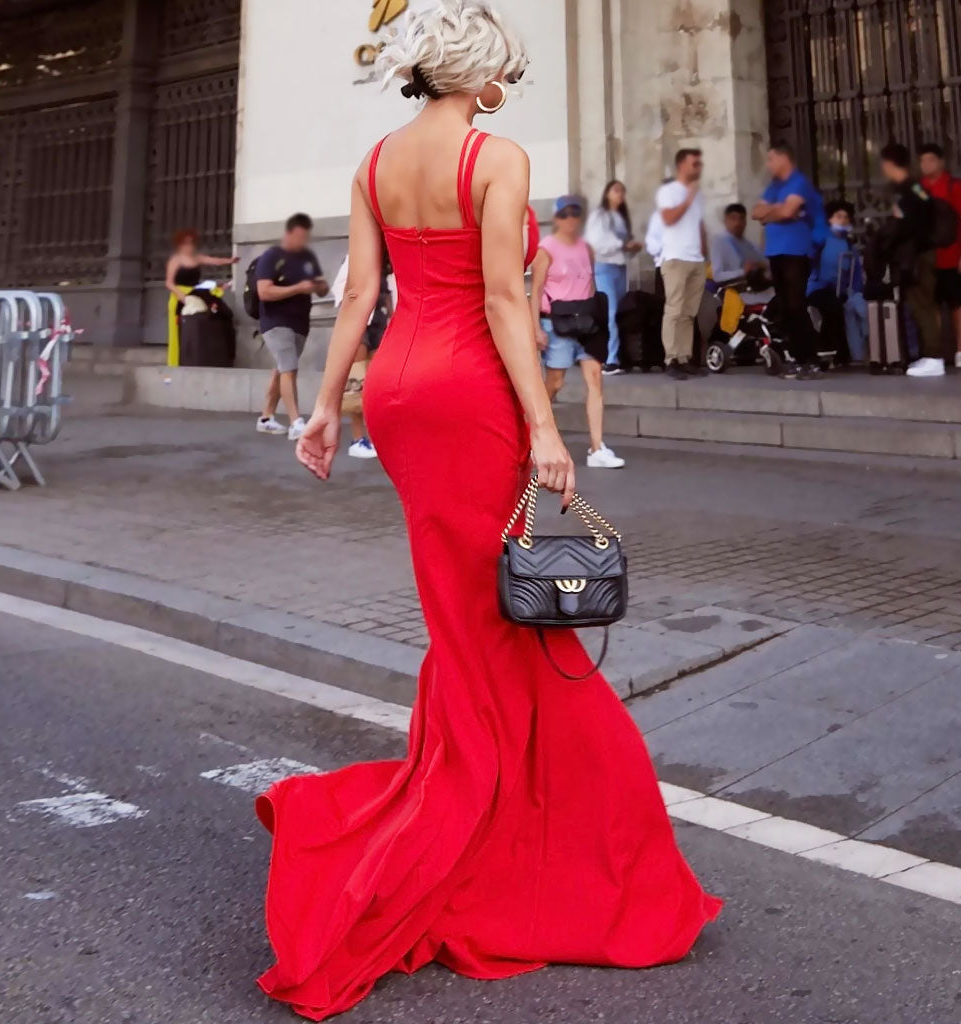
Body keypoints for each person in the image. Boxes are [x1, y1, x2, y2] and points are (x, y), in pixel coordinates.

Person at [257, 3, 721, 1018]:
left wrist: (327, 406)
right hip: (470, 389)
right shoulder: (494, 157)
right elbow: (507, 303)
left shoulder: (377, 160)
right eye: (504, 70)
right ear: (485, 76)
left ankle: (481, 797)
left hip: (399, 389)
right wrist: (545, 429)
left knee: (465, 615)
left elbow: (362, 292)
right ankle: (498, 839)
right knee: (499, 622)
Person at [531, 195, 625, 469]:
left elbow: (591, 284)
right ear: (557, 218)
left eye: (575, 213)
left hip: (586, 320)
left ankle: (597, 447)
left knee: (595, 378)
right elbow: (535, 291)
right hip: (557, 320)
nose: (571, 219)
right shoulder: (545, 249)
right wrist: (535, 328)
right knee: (556, 382)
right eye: (565, 214)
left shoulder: (586, 248)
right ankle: (533, 431)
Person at [753, 141, 827, 379]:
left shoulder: (799, 183)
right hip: (775, 251)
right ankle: (796, 357)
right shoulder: (774, 187)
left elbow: (786, 213)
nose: (768, 164)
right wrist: (780, 209)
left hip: (796, 251)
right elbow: (757, 213)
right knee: (785, 306)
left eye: (771, 159)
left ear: (784, 159)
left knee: (796, 305)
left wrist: (775, 212)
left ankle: (810, 358)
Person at [254, 214, 330, 440]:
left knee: (282, 368)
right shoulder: (272, 257)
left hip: (300, 323)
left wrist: (320, 286)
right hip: (275, 321)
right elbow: (264, 291)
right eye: (299, 236)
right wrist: (297, 288)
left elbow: (322, 289)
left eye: (305, 237)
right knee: (289, 368)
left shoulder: (307, 257)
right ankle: (296, 422)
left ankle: (266, 418)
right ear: (288, 234)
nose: (302, 241)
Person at [878, 143, 943, 378]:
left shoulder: (909, 191)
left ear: (888, 163)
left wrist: (890, 239)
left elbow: (910, 226)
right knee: (920, 305)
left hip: (918, 256)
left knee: (922, 305)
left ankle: (934, 358)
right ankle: (929, 356)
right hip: (920, 253)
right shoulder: (916, 189)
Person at [331, 249, 396, 459]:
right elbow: (341, 291)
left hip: (379, 325)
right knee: (356, 382)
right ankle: (358, 439)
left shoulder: (386, 263)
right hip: (360, 325)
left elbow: (388, 296)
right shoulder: (355, 258)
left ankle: (373, 437)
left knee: (375, 382)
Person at [920, 143, 961, 370]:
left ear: (940, 162)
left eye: (930, 160)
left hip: (953, 256)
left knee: (957, 304)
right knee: (931, 306)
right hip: (928, 258)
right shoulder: (919, 188)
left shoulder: (955, 186)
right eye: (922, 161)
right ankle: (935, 354)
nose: (926, 165)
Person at [656, 149, 708, 380]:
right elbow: (668, 218)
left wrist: (705, 253)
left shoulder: (698, 194)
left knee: (689, 312)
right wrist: (687, 198)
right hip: (675, 258)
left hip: (696, 260)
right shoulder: (669, 192)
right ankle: (671, 358)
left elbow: (700, 224)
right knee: (674, 309)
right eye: (693, 164)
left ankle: (685, 356)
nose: (698, 168)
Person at [584, 180, 641, 375]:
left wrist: (632, 248)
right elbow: (596, 242)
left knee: (617, 313)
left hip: (619, 267)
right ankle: (609, 358)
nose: (620, 195)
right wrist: (621, 245)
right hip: (604, 267)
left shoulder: (620, 218)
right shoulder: (598, 216)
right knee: (610, 313)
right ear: (607, 193)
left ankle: (616, 355)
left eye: (622, 192)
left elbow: (623, 246)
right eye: (616, 190)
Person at [163, 229, 237, 367]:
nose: (189, 246)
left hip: (194, 295)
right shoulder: (176, 260)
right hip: (179, 296)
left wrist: (231, 261)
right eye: (186, 243)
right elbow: (169, 282)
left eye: (191, 243)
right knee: (177, 331)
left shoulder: (197, 257)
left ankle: (192, 358)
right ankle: (175, 363)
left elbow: (214, 261)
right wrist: (181, 295)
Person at [807, 201, 868, 363]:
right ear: (829, 219)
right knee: (832, 307)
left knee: (845, 308)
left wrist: (856, 292)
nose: (843, 220)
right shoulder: (820, 240)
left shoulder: (849, 246)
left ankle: (843, 353)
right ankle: (825, 348)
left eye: (846, 217)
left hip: (840, 292)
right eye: (839, 216)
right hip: (817, 288)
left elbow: (855, 276)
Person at [710, 203, 770, 290]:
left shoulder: (749, 245)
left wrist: (760, 265)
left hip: (755, 285)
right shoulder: (719, 242)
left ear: (745, 221)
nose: (738, 223)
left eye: (741, 218)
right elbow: (717, 276)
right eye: (733, 218)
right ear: (725, 221)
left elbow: (765, 263)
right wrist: (743, 271)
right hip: (734, 290)